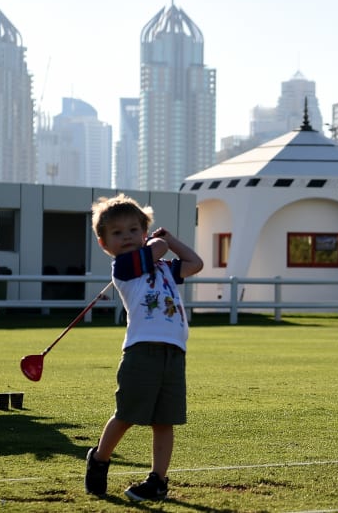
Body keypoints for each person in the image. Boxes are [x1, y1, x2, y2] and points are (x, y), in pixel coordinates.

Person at [84, 194, 204, 501]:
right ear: (104, 243)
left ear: (144, 232)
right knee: (126, 414)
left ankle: (158, 481)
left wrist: (172, 238)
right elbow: (158, 249)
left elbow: (195, 263)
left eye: (134, 230)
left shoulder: (163, 267)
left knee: (165, 420)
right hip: (141, 350)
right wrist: (159, 242)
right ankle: (99, 458)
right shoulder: (125, 266)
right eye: (117, 232)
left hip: (173, 352)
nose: (126, 237)